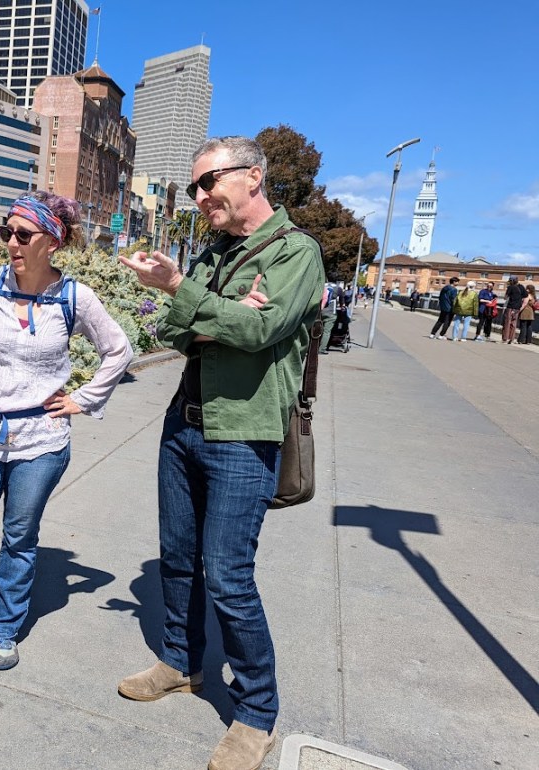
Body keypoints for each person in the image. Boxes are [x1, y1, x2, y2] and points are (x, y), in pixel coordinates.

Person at [117, 136, 323, 770]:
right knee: (178, 559)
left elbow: (262, 331)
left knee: (228, 578)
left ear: (253, 178)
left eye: (210, 183)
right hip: (184, 425)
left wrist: (190, 292)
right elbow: (174, 329)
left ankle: (256, 712)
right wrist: (219, 310)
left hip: (244, 435)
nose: (201, 196)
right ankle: (181, 664)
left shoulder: (297, 252)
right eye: (197, 186)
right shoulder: (216, 254)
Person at [0, 192, 132, 671]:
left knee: (19, 538)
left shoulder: (74, 298)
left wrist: (83, 399)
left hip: (41, 441)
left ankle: (3, 628)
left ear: (52, 241)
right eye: (5, 232)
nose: (11, 242)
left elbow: (118, 350)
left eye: (22, 234)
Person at [320, 271, 341, 353]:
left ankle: (312, 347)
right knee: (326, 331)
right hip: (331, 312)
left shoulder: (322, 286)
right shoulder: (338, 288)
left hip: (319, 311)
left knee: (317, 329)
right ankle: (322, 349)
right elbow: (343, 299)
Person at [502, 276, 528, 344]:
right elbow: (525, 295)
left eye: (510, 281)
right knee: (514, 323)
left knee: (507, 322)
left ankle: (505, 339)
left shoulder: (510, 287)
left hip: (510, 307)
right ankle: (511, 339)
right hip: (517, 308)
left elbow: (505, 297)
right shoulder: (521, 287)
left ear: (512, 281)